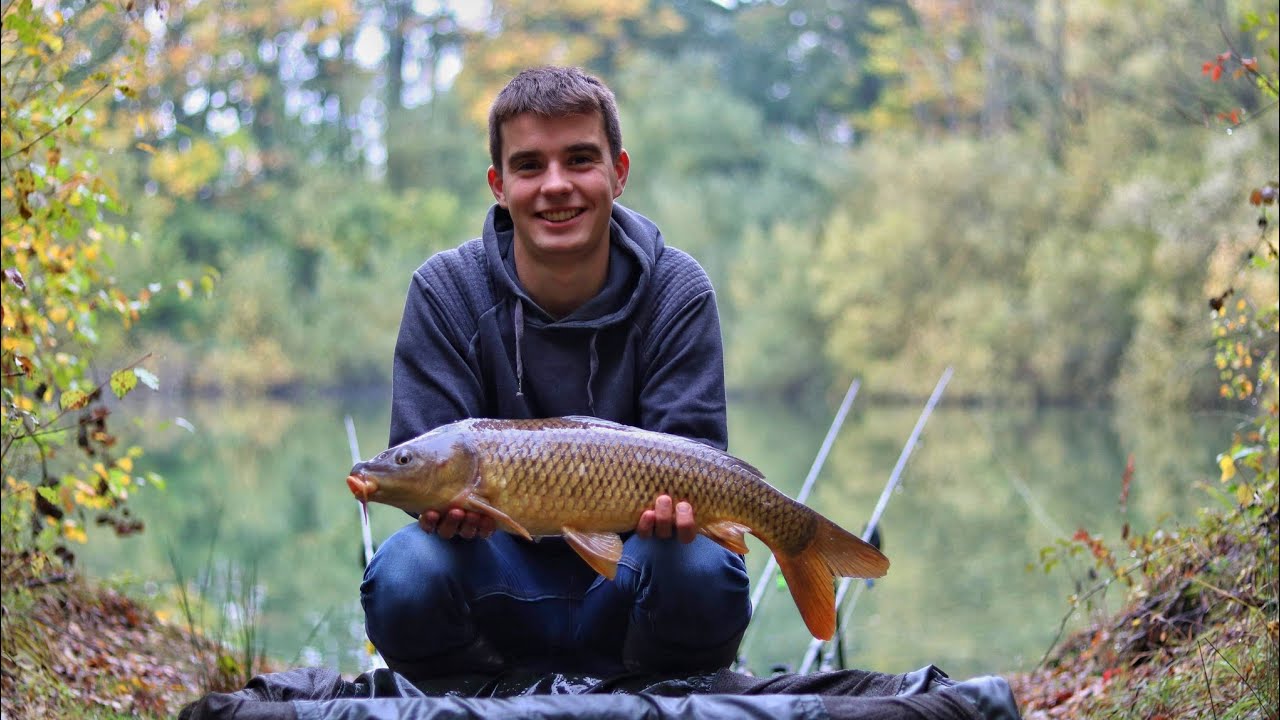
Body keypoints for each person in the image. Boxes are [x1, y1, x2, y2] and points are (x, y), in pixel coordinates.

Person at [360, 65, 752, 682]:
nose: (556, 185)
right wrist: (434, 509)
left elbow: (696, 455)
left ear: (618, 173)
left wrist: (679, 518)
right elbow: (424, 471)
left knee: (702, 569)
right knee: (404, 574)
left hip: (635, 576)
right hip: (496, 577)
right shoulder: (445, 291)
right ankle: (487, 689)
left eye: (579, 159)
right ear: (498, 184)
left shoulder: (678, 288)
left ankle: (650, 688)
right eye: (529, 166)